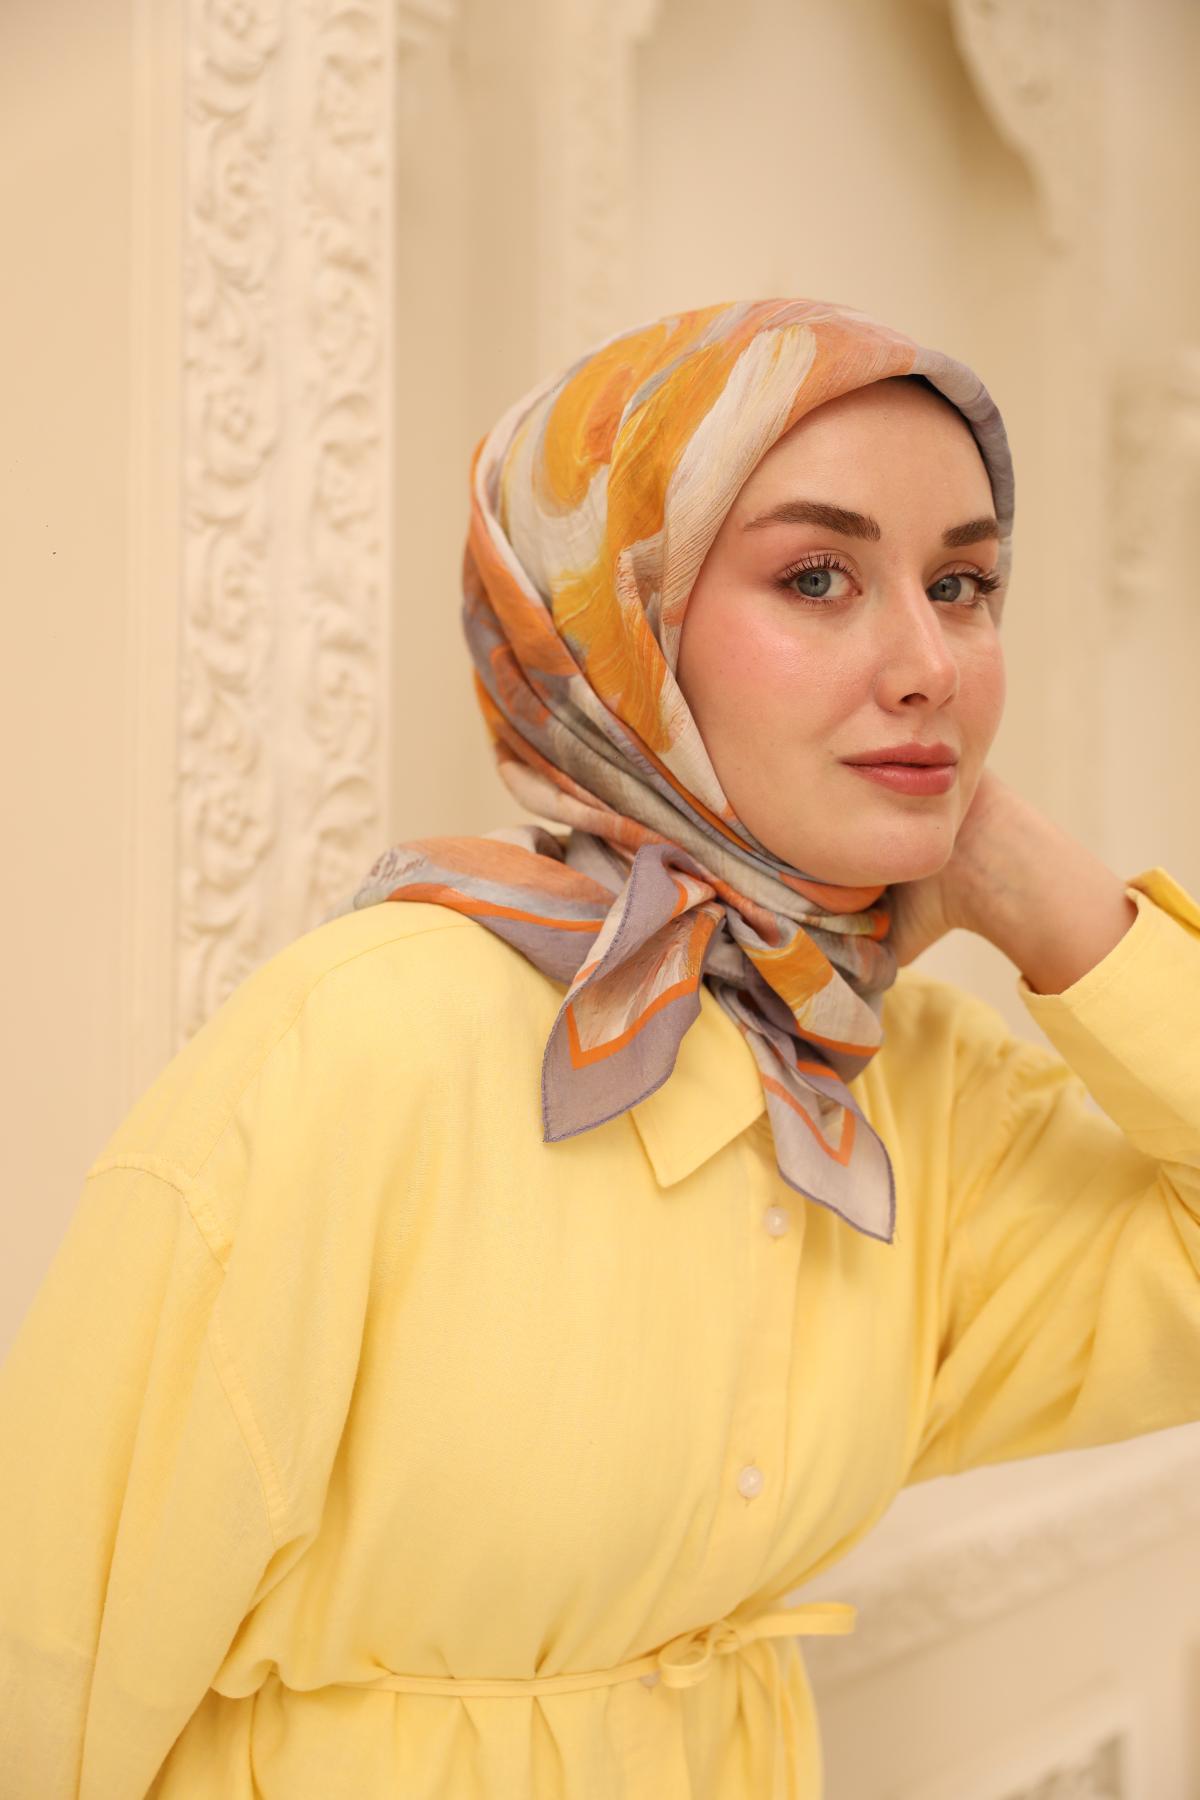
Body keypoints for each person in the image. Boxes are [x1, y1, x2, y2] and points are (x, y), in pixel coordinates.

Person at [2, 296, 1198, 1799]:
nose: (929, 666)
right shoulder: (363, 1045)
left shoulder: (912, 1089)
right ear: (619, 632)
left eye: (962, 586)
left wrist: (1055, 902)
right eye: (816, 577)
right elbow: (49, 1667)